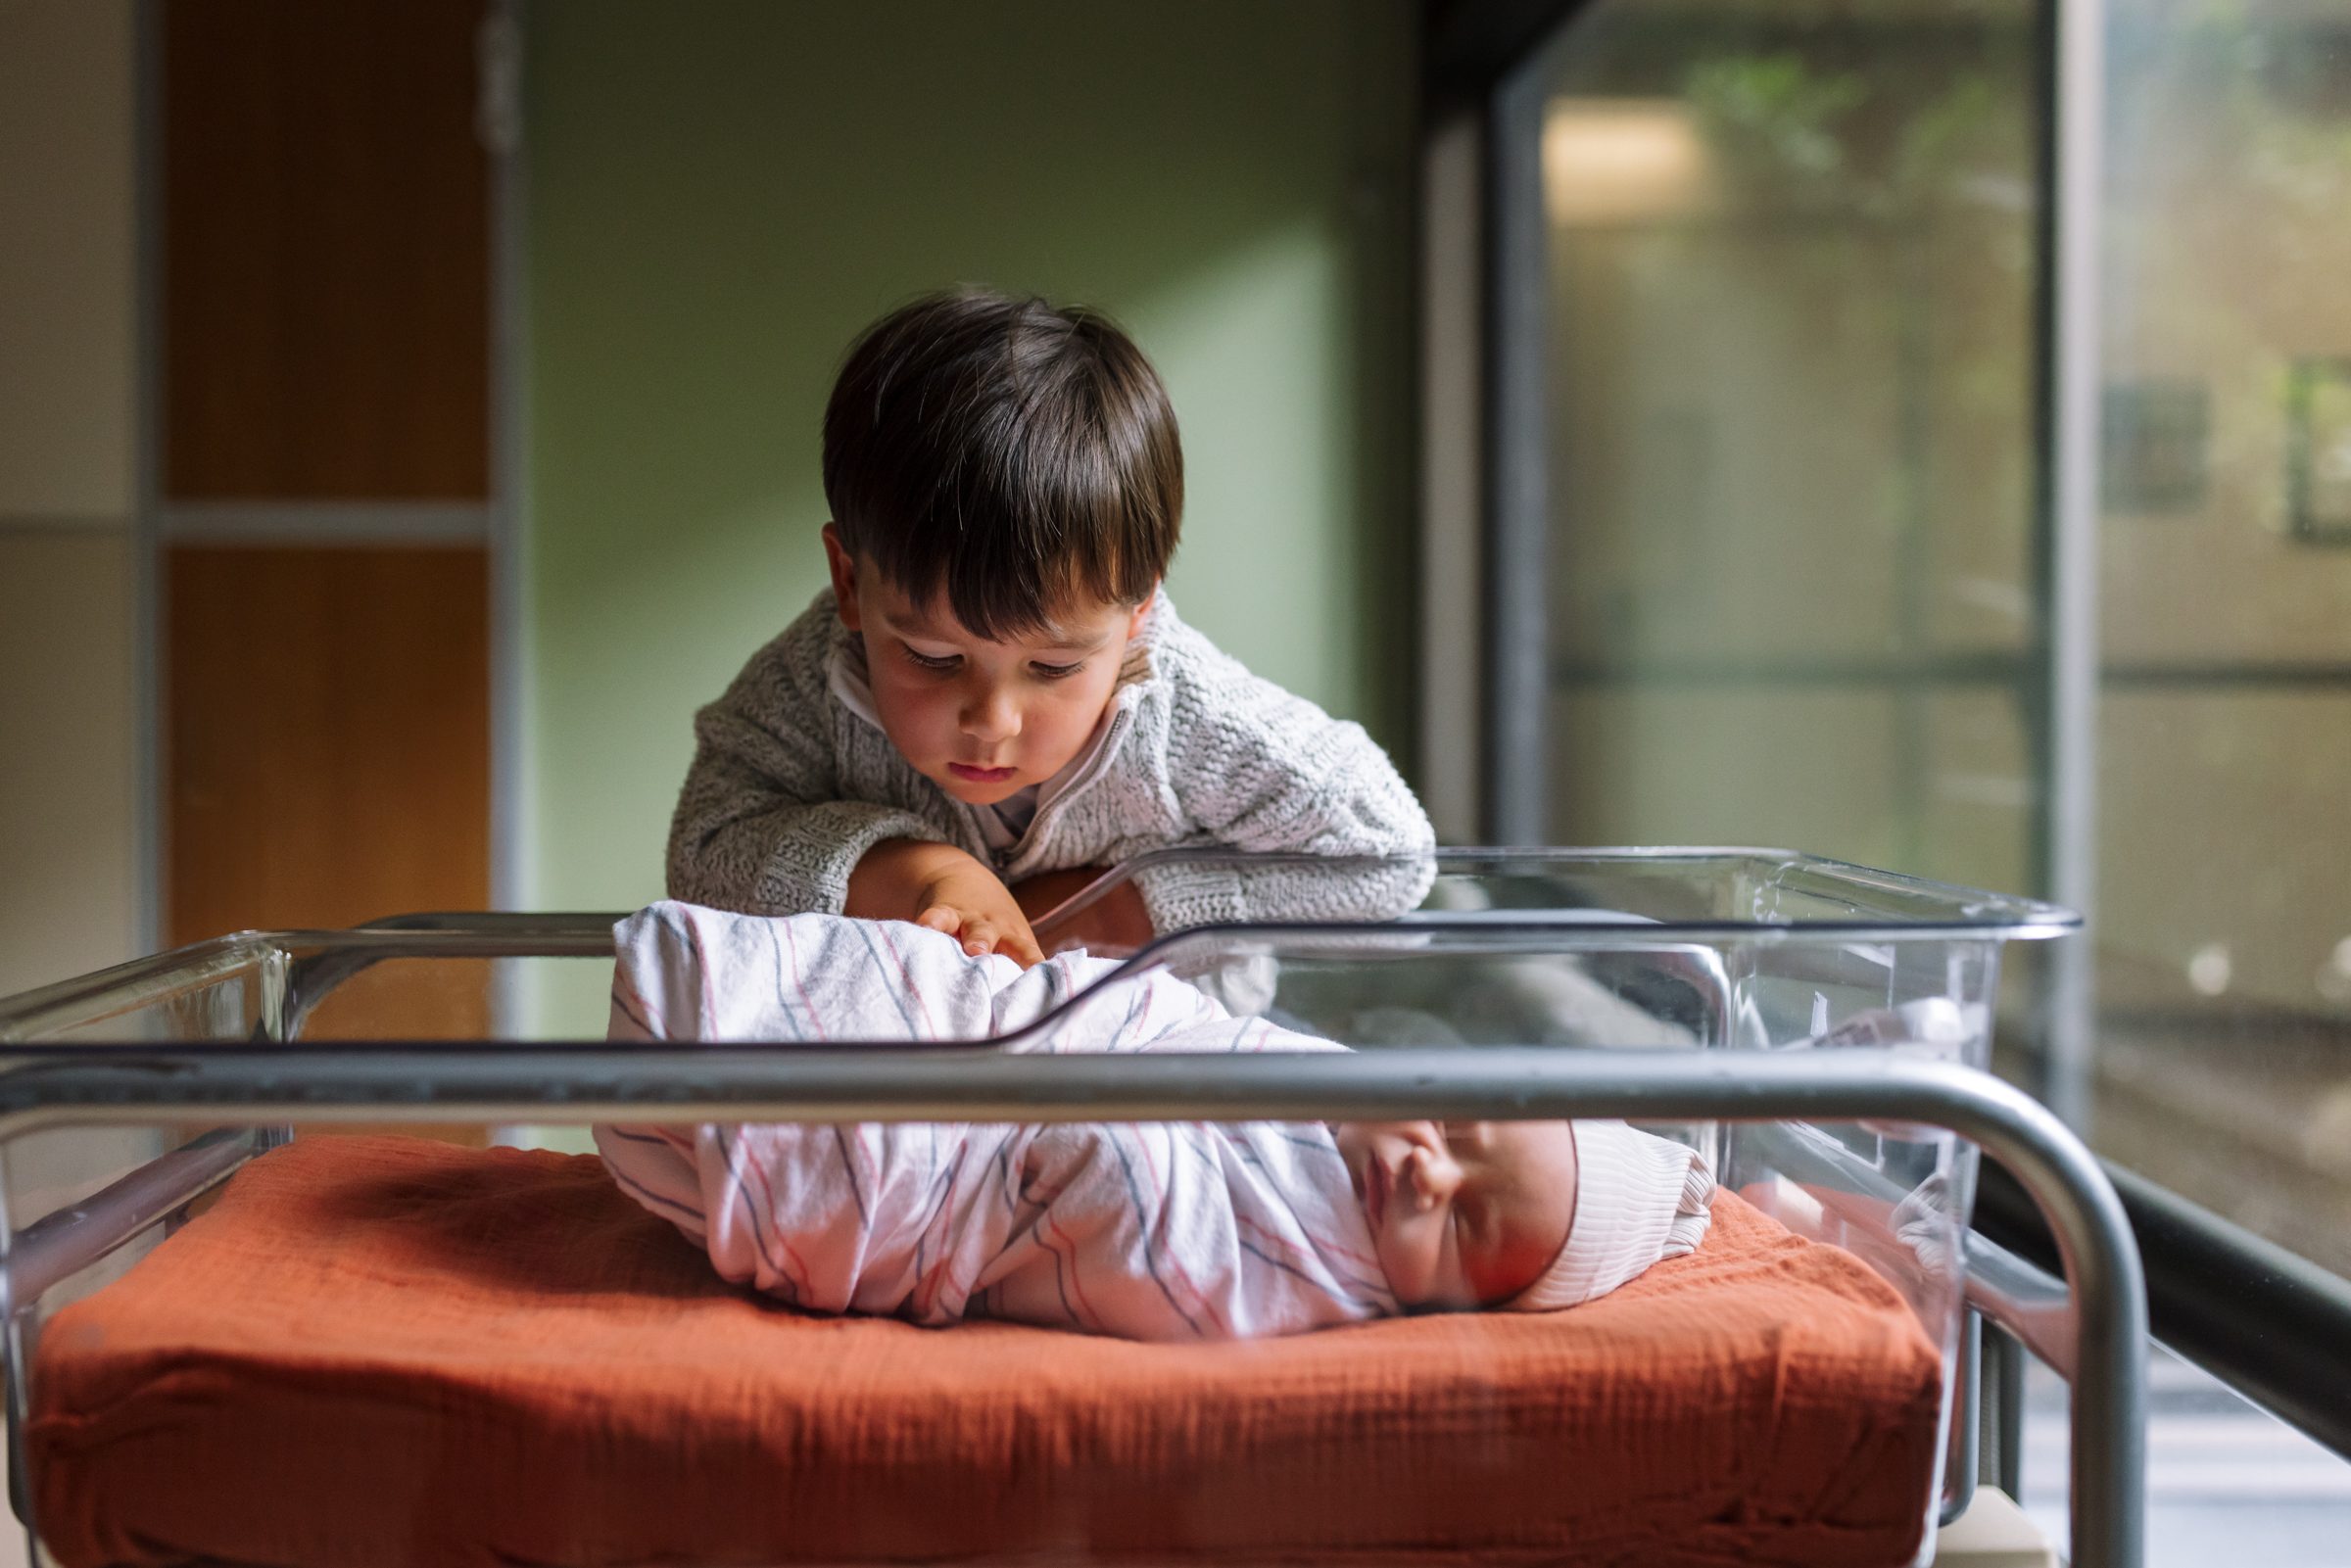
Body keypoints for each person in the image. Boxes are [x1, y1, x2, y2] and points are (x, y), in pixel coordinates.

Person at [666, 289, 1435, 966]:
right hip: (910, 1064)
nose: (990, 721)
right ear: (850, 583)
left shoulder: (1188, 715)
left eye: (1055, 667)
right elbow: (704, 848)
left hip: (1154, 1058)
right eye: (933, 656)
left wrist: (1112, 908)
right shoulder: (813, 678)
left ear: (1138, 610)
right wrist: (918, 873)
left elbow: (1385, 852)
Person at [598, 902, 1715, 1344]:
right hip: (1002, 1041)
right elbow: (1175, 1019)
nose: (1431, 1171)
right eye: (1458, 1128)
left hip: (946, 1175)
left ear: (1457, 1309)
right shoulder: (1331, 1087)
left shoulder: (1313, 1276)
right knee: (908, 999)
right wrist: (1089, 1012)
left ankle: (753, 1087)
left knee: (849, 1098)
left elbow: (1145, 1246)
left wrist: (1088, 1110)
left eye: (1466, 1226)